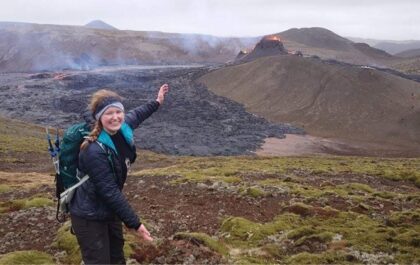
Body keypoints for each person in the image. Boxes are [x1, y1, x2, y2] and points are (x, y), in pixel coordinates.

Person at [69, 84, 169, 264]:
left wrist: (157, 102)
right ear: (99, 118)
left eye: (118, 112)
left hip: (108, 211)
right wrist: (136, 224)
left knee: (117, 259)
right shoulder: (93, 151)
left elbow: (139, 113)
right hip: (88, 215)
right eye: (109, 113)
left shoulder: (123, 128)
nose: (115, 117)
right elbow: (109, 191)